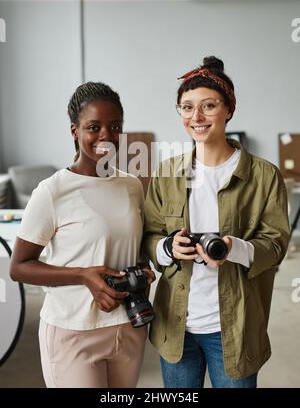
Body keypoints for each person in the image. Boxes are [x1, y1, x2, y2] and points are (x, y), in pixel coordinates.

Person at [143, 56, 290, 388]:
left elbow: (276, 245)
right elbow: (150, 235)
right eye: (187, 107)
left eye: (208, 106)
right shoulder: (166, 174)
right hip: (176, 328)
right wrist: (168, 247)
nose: (196, 116)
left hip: (233, 327)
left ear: (228, 110)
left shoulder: (264, 175)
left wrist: (231, 249)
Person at [10, 81, 155, 388]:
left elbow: (133, 246)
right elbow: (19, 267)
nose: (106, 136)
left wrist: (143, 265)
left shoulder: (131, 186)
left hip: (129, 325)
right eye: (94, 126)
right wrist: (83, 275)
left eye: (115, 126)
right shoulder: (52, 191)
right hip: (73, 330)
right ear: (74, 130)